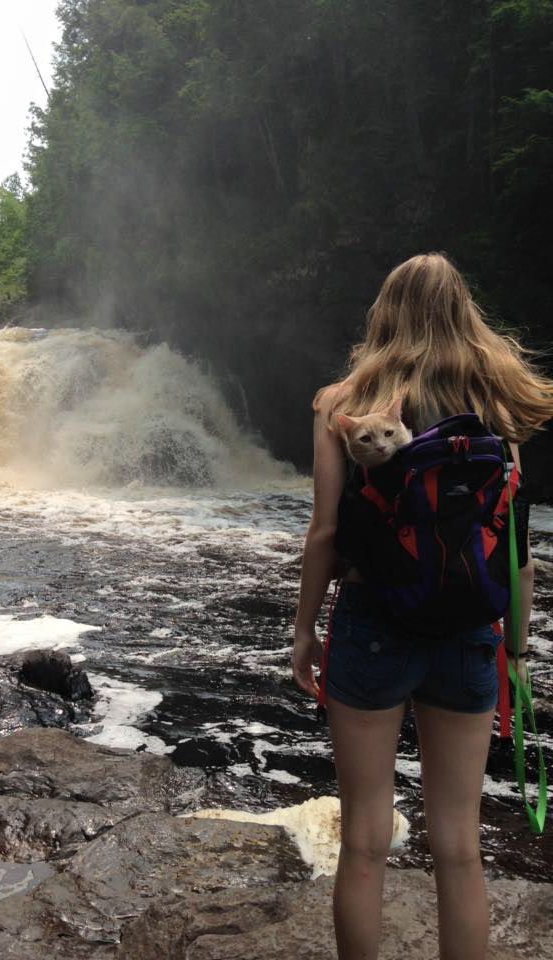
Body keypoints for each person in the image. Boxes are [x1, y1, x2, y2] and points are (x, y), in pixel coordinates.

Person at [292, 252, 553, 960]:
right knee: (461, 848)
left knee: (366, 842)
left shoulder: (341, 402)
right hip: (470, 632)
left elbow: (324, 531)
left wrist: (304, 633)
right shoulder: (498, 405)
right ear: (463, 313)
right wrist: (518, 654)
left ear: (384, 313)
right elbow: (517, 551)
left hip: (373, 624)